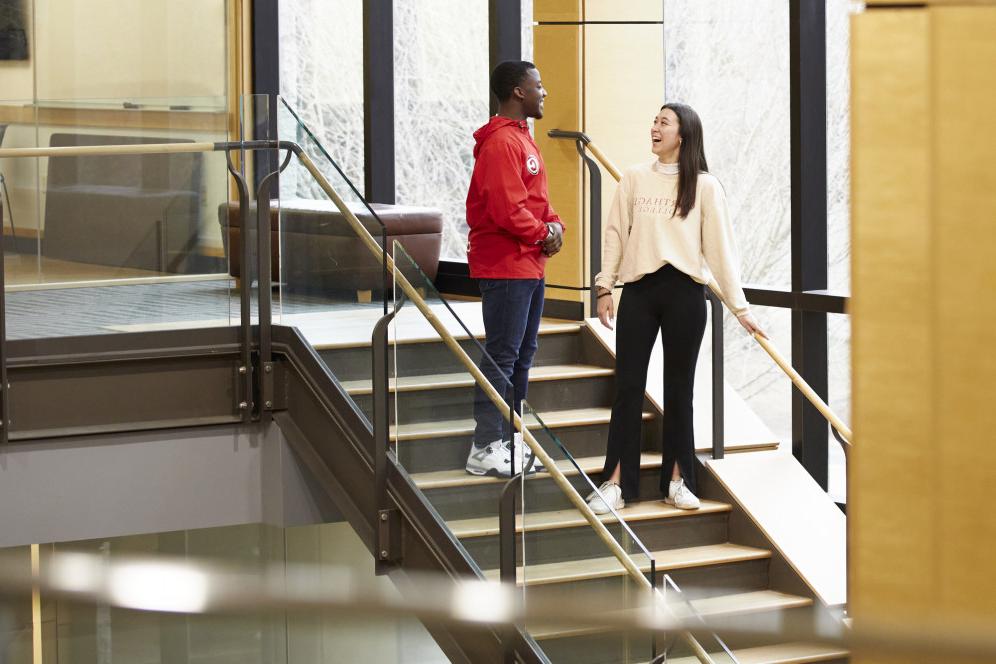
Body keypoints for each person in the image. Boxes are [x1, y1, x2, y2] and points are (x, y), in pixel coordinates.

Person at [587, 103, 765, 513]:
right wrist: (604, 286)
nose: (654, 127)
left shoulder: (704, 187)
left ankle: (678, 480)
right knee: (628, 385)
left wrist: (740, 309)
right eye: (654, 120)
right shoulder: (633, 178)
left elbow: (721, 252)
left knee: (680, 390)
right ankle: (615, 483)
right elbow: (614, 234)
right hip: (639, 292)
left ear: (682, 135)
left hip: (685, 295)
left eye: (663, 122)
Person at [463, 60, 565, 478]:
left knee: (522, 354)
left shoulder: (522, 139)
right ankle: (485, 444)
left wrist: (554, 224)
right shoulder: (502, 143)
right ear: (518, 92)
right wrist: (544, 232)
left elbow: (535, 199)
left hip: (528, 263)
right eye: (538, 86)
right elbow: (508, 209)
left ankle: (509, 434)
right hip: (506, 264)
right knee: (503, 354)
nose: (544, 92)